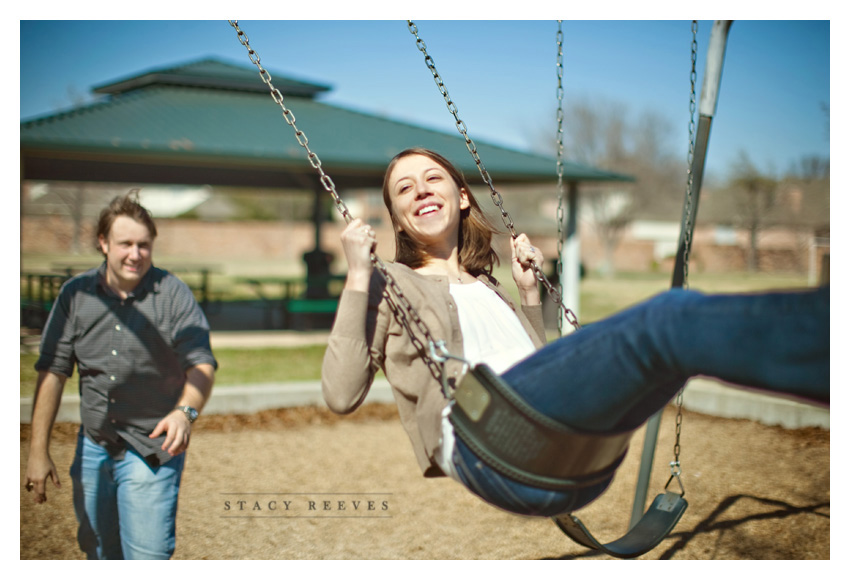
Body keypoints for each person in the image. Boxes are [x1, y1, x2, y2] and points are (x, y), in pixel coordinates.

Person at [322, 147, 829, 518]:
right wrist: (359, 277)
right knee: (670, 321)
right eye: (405, 189)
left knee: (673, 352)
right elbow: (341, 394)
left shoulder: (488, 284)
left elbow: (542, 370)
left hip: (566, 456)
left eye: (433, 179)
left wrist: (527, 295)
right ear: (399, 221)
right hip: (490, 445)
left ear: (461, 198)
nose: (422, 191)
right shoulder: (390, 285)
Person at [24, 192, 218, 559]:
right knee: (98, 552)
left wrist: (186, 413)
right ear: (103, 243)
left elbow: (202, 364)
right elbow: (53, 370)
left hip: (151, 449)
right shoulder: (76, 295)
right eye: (125, 243)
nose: (135, 254)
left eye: (144, 245)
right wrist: (38, 451)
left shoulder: (172, 294)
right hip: (94, 445)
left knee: (146, 557)